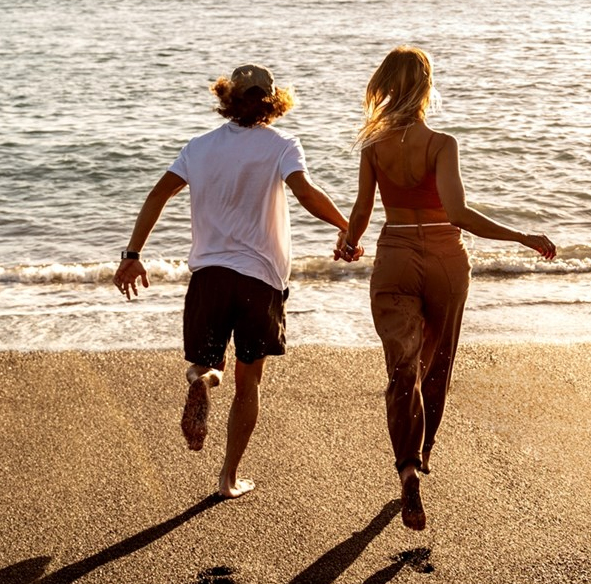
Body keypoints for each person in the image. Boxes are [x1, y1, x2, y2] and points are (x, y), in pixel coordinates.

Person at [335, 46, 556, 531]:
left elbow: (362, 210)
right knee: (436, 361)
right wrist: (520, 235)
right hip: (444, 258)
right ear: (425, 87)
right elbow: (457, 213)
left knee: (401, 367)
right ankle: (425, 450)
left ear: (385, 86)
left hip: (394, 255)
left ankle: (406, 468)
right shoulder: (441, 143)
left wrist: (349, 243)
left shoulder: (373, 146)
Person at [113, 64, 350, 499]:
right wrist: (345, 227)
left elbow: (156, 195)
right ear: (273, 102)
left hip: (209, 277)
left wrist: (132, 255)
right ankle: (227, 479)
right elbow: (306, 192)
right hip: (260, 280)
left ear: (228, 99)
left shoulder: (199, 147)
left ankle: (201, 381)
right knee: (249, 383)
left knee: (207, 364)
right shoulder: (282, 145)